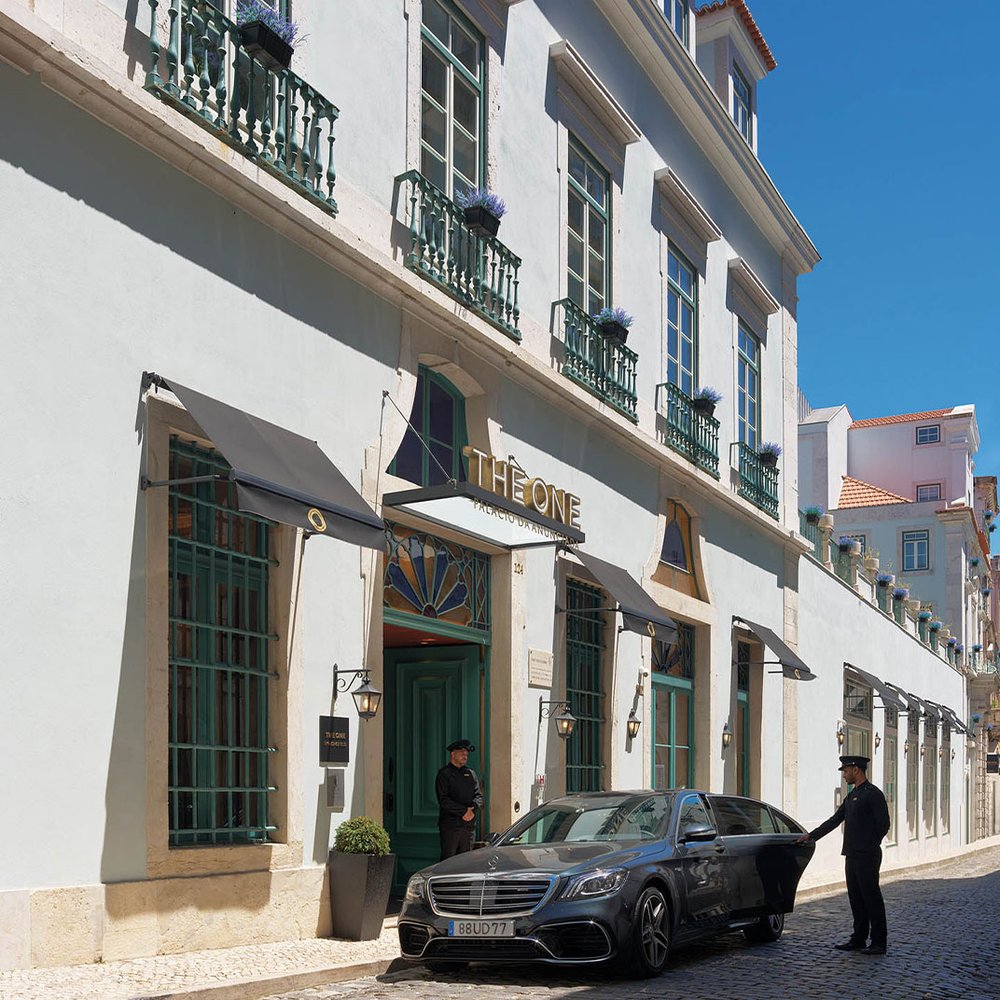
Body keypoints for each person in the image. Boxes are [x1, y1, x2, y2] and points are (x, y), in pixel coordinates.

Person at [797, 754, 891, 955]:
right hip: (852, 855)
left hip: (867, 855)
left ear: (856, 770)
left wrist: (870, 844)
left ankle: (879, 942)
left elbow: (884, 824)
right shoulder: (852, 796)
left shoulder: (873, 794)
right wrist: (811, 836)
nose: (844, 775)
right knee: (856, 898)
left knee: (871, 898)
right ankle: (858, 938)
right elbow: (834, 820)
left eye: (846, 771)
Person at [435, 738, 483, 860]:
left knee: (466, 862)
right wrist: (463, 811)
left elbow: (479, 796)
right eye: (461, 752)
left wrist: (472, 809)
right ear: (452, 754)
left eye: (466, 753)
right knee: (449, 861)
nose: (465, 755)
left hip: (468, 827)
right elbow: (444, 800)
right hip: (451, 826)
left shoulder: (471, 774)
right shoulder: (444, 774)